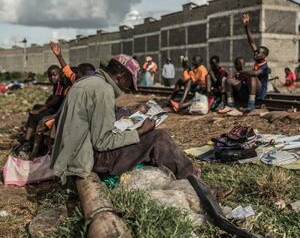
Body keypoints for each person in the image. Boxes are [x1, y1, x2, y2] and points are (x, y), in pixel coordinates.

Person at [51, 54, 199, 184]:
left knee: (142, 133)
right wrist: (141, 130)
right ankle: (192, 177)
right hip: (86, 160)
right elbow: (103, 142)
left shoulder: (86, 83)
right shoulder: (104, 91)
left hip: (72, 154)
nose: (128, 88)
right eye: (129, 83)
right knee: (159, 137)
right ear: (121, 76)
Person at [219, 14, 270, 115]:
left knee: (252, 76)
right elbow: (251, 42)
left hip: (259, 93)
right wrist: (246, 26)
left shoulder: (265, 66)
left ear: (264, 56)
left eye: (258, 52)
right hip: (248, 88)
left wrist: (240, 72)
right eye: (255, 52)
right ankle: (230, 106)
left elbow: (255, 73)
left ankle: (251, 105)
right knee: (229, 80)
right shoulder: (257, 60)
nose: (255, 53)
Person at [23, 65, 67, 144]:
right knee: (36, 106)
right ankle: (29, 130)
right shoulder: (57, 84)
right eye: (50, 76)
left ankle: (26, 141)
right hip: (56, 109)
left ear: (60, 74)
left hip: (56, 112)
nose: (52, 78)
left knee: (34, 116)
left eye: (54, 75)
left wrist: (40, 110)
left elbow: (56, 100)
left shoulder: (60, 84)